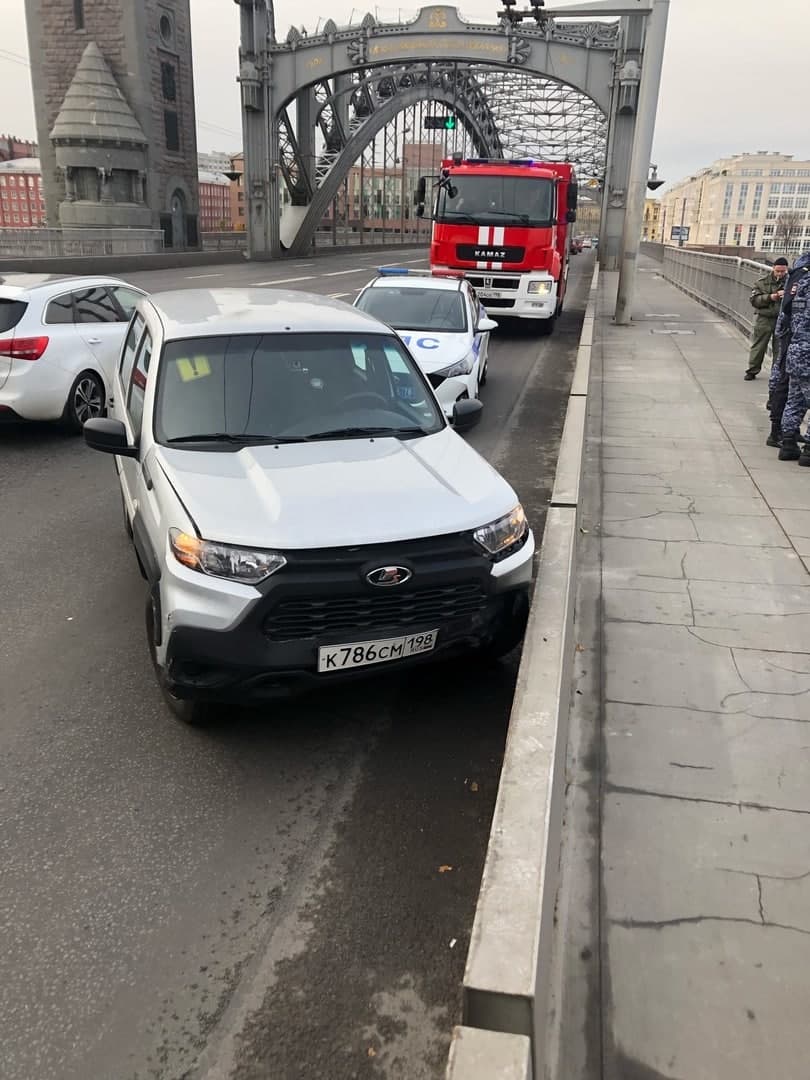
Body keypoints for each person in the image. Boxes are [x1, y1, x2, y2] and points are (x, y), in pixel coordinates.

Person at [767, 252, 810, 446]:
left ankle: (787, 440)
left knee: (793, 396)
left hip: (792, 344)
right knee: (794, 395)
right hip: (804, 347)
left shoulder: (796, 277)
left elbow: (785, 312)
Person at [778, 268, 810, 464]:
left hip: (795, 349)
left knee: (795, 400)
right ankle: (808, 450)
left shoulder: (797, 284)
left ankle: (788, 444)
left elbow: (783, 320)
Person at [745, 257, 789, 379]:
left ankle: (777, 373)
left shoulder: (790, 283)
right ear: (773, 269)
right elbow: (754, 300)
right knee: (759, 345)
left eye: (783, 271)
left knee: (779, 348)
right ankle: (752, 370)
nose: (780, 274)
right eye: (778, 271)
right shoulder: (762, 282)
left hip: (782, 318)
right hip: (765, 317)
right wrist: (771, 297)